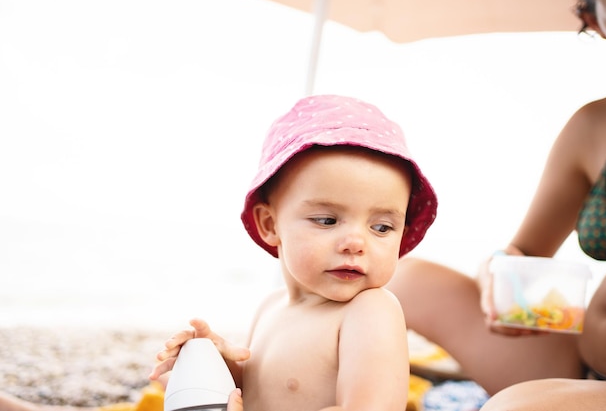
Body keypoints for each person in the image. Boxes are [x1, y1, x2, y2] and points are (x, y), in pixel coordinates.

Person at [386, 0, 606, 409]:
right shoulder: (594, 126)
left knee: (515, 407)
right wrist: (499, 271)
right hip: (582, 365)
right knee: (398, 281)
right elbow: (526, 253)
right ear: (595, 19)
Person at [149, 94, 438, 411]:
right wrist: (210, 366)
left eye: (382, 227)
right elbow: (263, 390)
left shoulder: (370, 311)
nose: (356, 243)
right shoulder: (270, 307)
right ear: (270, 224)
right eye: (328, 220)